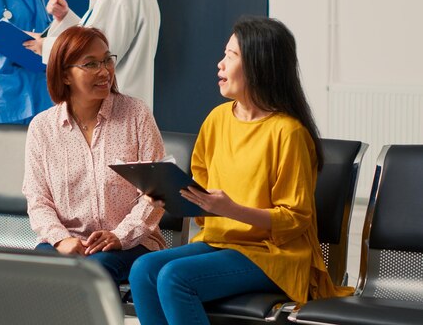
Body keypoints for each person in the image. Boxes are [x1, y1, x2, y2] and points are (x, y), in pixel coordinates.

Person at [128, 16, 354, 325]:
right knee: (143, 270)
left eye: (230, 56)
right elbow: (202, 197)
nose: (219, 65)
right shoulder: (217, 119)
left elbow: (295, 220)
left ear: (259, 65)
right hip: (221, 242)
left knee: (174, 277)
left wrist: (231, 209)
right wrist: (166, 193)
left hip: (275, 255)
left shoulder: (288, 133)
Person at [22, 26, 166, 285]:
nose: (104, 71)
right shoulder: (42, 128)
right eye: (90, 64)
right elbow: (38, 199)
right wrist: (61, 238)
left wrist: (120, 235)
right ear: (65, 75)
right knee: (37, 273)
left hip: (131, 242)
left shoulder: (137, 115)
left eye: (107, 60)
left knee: (94, 272)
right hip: (67, 239)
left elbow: (156, 192)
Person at [23, 0, 160, 109]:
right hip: (128, 109)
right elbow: (96, 37)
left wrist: (44, 46)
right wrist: (66, 18)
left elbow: (93, 52)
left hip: (114, 111)